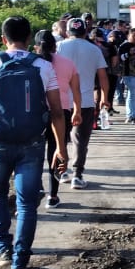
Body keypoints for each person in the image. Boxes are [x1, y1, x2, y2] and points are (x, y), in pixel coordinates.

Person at [0, 16, 68, 269]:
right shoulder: (43, 66)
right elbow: (57, 112)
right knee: (27, 203)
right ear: (28, 40)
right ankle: (19, 266)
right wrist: (60, 148)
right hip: (32, 144)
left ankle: (4, 251)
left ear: (4, 39)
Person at [56, 18, 109, 189]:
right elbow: (103, 76)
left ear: (67, 32)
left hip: (61, 100)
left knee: (60, 138)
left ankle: (62, 172)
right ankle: (77, 176)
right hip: (85, 102)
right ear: (85, 31)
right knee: (81, 140)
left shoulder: (59, 47)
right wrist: (104, 97)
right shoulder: (94, 49)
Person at [33, 30, 82, 209]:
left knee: (35, 153)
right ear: (55, 46)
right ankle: (52, 196)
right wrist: (77, 110)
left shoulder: (32, 63)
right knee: (56, 152)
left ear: (36, 47)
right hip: (62, 113)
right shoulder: (68, 64)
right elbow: (76, 90)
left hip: (36, 114)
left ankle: (37, 188)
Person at [117, 28, 135, 124]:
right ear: (128, 36)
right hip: (130, 75)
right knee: (134, 96)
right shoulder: (125, 46)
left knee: (132, 96)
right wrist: (129, 53)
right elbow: (120, 58)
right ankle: (134, 116)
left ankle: (130, 115)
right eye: (134, 35)